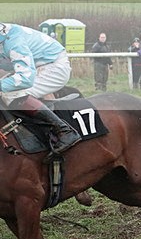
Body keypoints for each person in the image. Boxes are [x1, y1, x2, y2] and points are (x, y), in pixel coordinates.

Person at [0, 22, 81, 156]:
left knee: (11, 93)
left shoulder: (13, 41)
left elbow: (25, 78)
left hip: (53, 66)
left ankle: (64, 130)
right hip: (37, 66)